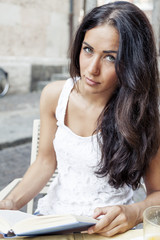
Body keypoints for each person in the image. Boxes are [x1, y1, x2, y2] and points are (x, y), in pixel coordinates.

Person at [0, 1, 160, 237]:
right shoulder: (54, 96)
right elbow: (45, 162)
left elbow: (157, 193)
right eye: (88, 50)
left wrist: (134, 212)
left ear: (132, 63)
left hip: (109, 231)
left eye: (110, 58)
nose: (91, 69)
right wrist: (10, 203)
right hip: (50, 222)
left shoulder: (143, 115)